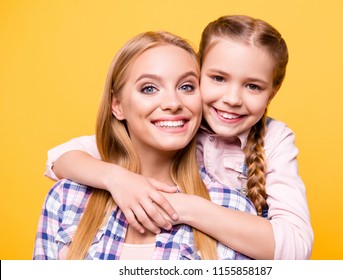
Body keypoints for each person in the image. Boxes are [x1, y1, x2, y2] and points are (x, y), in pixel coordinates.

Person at [43, 15, 313, 259]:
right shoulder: (178, 124)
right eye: (218, 78)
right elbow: (60, 157)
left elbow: (296, 247)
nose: (231, 99)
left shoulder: (273, 139)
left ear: (272, 93)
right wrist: (119, 178)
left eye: (253, 86)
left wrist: (179, 205)